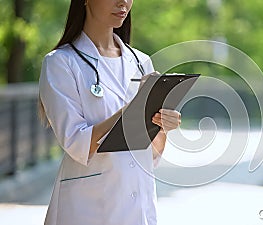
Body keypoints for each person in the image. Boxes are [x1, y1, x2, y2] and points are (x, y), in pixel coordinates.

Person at [38, 0, 181, 224]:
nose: (123, 2)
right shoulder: (61, 63)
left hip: (139, 207)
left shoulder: (142, 62)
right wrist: (133, 108)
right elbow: (76, 142)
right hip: (87, 208)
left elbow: (152, 151)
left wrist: (162, 123)